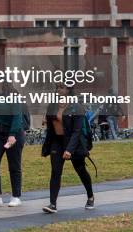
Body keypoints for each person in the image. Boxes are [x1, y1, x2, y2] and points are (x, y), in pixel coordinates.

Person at [42, 84, 94, 213]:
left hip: (73, 143)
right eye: (58, 87)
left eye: (63, 87)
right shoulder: (52, 106)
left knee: (80, 170)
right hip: (57, 142)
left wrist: (69, 150)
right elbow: (50, 129)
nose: (59, 90)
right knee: (55, 172)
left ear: (69, 90)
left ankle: (90, 196)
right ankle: (52, 204)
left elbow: (77, 131)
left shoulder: (76, 107)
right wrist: (46, 147)